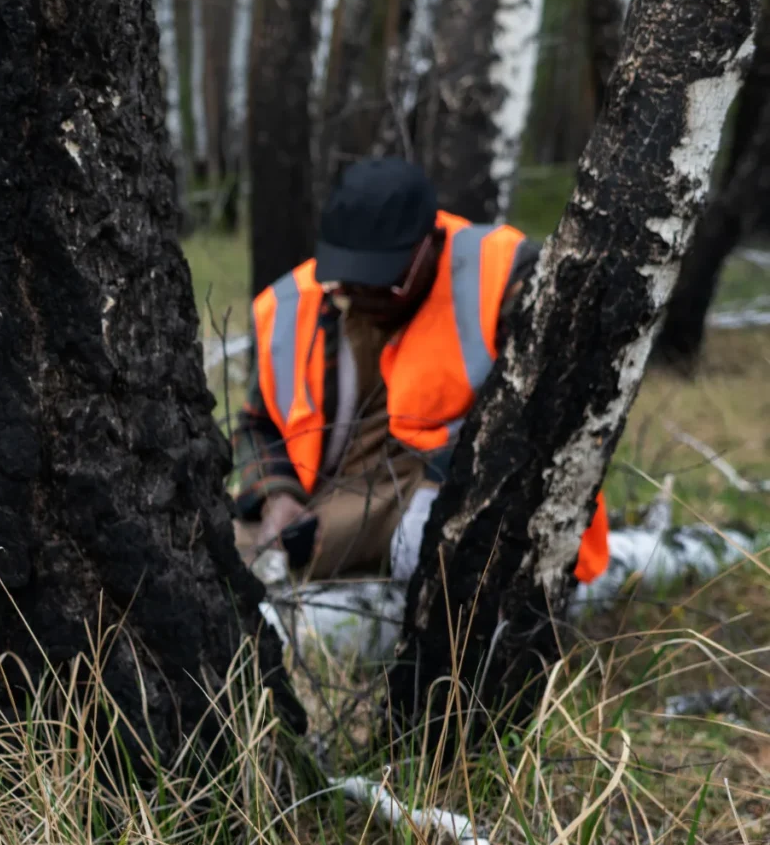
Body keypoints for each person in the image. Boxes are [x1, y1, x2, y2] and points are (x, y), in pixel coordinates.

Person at [233, 157, 607, 584]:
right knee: (224, 555)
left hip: (462, 482)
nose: (363, 298)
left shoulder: (504, 274)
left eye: (385, 283)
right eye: (345, 285)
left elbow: (543, 411)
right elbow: (256, 424)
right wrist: (276, 495)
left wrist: (441, 489)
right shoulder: (290, 308)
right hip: (325, 494)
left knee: (295, 573)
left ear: (430, 242)